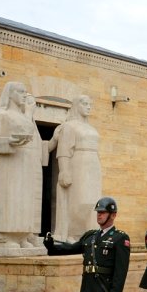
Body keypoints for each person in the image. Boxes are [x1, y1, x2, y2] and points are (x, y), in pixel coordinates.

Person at [0, 82, 44, 247]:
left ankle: (21, 236)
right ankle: (7, 237)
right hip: (9, 164)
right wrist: (10, 141)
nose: (24, 95)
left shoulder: (23, 116)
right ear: (10, 94)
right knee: (11, 197)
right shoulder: (1, 116)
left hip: (24, 161)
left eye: (25, 92)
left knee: (25, 198)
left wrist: (28, 113)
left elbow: (28, 131)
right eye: (20, 92)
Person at [51, 95, 102, 242]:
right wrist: (64, 170)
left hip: (92, 164)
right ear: (76, 106)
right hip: (78, 163)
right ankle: (72, 233)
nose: (88, 106)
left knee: (92, 201)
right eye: (85, 103)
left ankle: (89, 232)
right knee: (78, 200)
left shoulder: (90, 127)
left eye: (90, 104)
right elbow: (63, 151)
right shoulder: (69, 126)